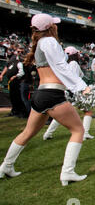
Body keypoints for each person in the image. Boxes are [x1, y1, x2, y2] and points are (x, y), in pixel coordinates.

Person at [0, 14, 90, 186]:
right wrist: (81, 86)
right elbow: (61, 66)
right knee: (78, 130)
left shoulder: (40, 43)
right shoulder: (49, 41)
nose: (56, 27)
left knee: (28, 132)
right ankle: (67, 172)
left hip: (41, 95)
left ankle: (5, 166)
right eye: (54, 25)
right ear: (50, 27)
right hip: (52, 95)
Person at [43, 47, 95, 141]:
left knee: (62, 114)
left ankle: (48, 133)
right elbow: (73, 78)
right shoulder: (73, 63)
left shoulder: (65, 64)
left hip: (68, 91)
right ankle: (85, 133)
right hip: (74, 91)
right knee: (88, 111)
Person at [1, 47, 27, 118]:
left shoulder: (22, 60)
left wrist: (15, 76)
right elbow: (7, 66)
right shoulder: (12, 58)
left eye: (21, 52)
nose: (20, 53)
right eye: (18, 51)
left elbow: (22, 72)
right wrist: (2, 75)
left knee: (18, 96)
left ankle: (21, 111)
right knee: (12, 96)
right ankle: (14, 111)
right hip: (11, 81)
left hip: (18, 81)